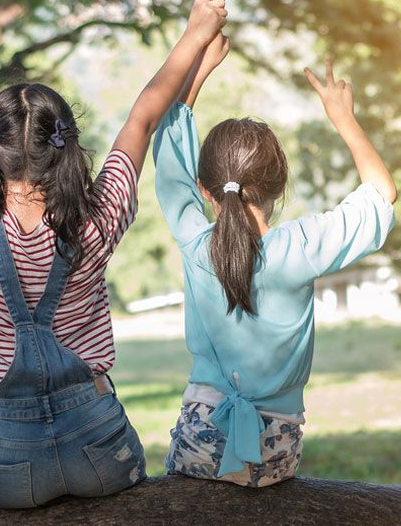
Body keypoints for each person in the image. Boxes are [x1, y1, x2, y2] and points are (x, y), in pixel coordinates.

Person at [0, 0, 228, 507]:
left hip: (2, 457)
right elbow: (142, 117)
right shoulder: (97, 216)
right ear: (67, 146)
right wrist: (196, 31)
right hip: (98, 447)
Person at [154, 34, 397, 487]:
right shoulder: (301, 246)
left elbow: (169, 164)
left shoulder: (195, 242)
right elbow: (382, 195)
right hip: (277, 452)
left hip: (202, 441)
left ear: (206, 192)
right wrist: (343, 118)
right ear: (278, 187)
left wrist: (197, 74)